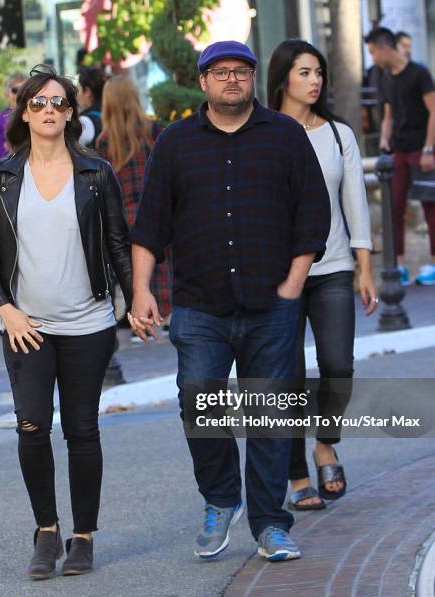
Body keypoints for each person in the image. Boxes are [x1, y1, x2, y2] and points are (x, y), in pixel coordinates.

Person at [129, 41, 331, 562]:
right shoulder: (174, 143)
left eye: (241, 71)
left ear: (254, 79)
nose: (232, 80)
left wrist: (292, 285)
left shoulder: (284, 135)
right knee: (198, 405)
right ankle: (221, 498)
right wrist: (141, 290)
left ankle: (269, 525)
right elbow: (149, 225)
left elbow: (313, 215)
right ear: (203, 83)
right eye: (221, 72)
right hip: (199, 306)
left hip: (272, 304)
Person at [0, 64, 133, 579]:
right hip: (26, 326)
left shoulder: (95, 173)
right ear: (23, 111)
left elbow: (116, 243)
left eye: (58, 103)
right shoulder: (0, 176)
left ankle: (82, 535)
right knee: (32, 426)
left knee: (82, 430)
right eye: (37, 102)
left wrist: (138, 296)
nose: (48, 110)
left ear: (71, 113)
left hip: (89, 323)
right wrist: (6, 308)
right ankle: (46, 529)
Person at [267, 39, 378, 511]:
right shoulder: (263, 133)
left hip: (333, 267)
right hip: (277, 276)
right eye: (305, 72)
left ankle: (325, 442)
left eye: (319, 73)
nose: (315, 81)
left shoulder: (338, 134)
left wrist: (365, 266)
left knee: (338, 365)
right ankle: (295, 472)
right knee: (285, 376)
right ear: (283, 79)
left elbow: (355, 200)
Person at [96, 76, 172, 324]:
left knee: (130, 270)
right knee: (161, 266)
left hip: (125, 216)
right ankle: (164, 312)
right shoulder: (155, 130)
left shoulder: (105, 141)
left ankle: (137, 313)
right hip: (157, 210)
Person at [365, 27, 435, 286]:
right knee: (393, 207)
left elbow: (434, 112)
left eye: (372, 52)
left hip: (421, 150)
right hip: (398, 151)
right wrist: (384, 139)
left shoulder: (419, 73)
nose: (372, 58)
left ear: (384, 48)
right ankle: (400, 266)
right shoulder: (385, 77)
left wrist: (429, 149)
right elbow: (389, 114)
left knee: (431, 207)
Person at [0, 72, 27, 159]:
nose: (20, 95)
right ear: (7, 94)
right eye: (16, 90)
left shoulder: (38, 116)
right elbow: (1, 154)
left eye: (24, 90)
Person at [77, 66, 105, 148]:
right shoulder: (112, 114)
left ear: (87, 92)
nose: (77, 95)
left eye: (79, 90)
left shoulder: (85, 122)